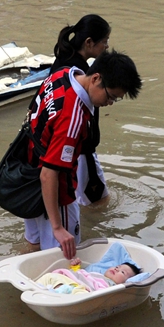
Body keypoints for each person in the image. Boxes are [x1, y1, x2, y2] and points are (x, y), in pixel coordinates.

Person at [22, 49, 142, 260]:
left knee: (34, 245)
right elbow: (49, 175)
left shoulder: (63, 74)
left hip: (29, 179)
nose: (110, 103)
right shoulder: (73, 116)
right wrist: (58, 227)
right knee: (64, 256)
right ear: (96, 78)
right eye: (111, 96)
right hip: (56, 192)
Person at [50, 14, 112, 209]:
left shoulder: (63, 60)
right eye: (104, 42)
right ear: (89, 42)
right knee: (99, 204)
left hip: (62, 145)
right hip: (79, 147)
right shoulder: (79, 72)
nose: (106, 47)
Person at [36, 261, 140, 294]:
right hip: (71, 281)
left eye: (122, 272)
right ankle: (37, 287)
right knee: (50, 276)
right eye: (117, 267)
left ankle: (56, 292)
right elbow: (79, 275)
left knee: (82, 295)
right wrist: (75, 267)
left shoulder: (112, 287)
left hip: (81, 290)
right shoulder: (95, 274)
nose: (117, 269)